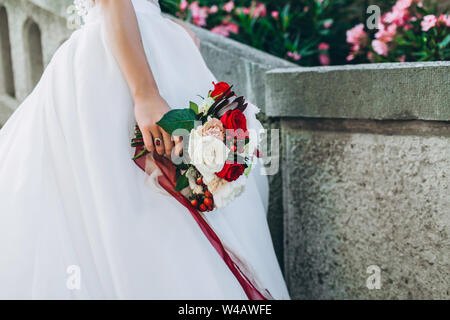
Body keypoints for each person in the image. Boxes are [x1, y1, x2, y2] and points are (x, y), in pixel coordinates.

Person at [0, 0, 289, 299]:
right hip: (124, 65)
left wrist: (161, 19)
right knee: (149, 210)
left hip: (140, 44)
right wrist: (145, 92)